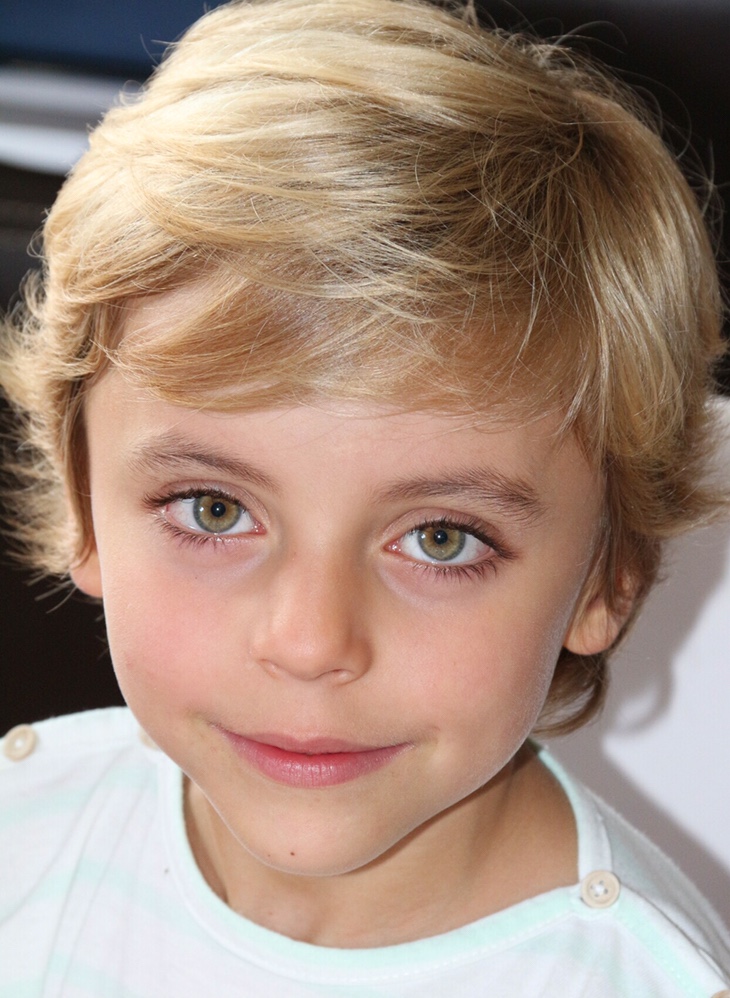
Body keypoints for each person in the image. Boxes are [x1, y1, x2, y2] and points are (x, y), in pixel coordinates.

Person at [1, 0, 728, 993]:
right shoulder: (24, 835)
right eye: (214, 509)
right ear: (85, 506)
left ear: (612, 573)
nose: (309, 643)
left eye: (440, 538)